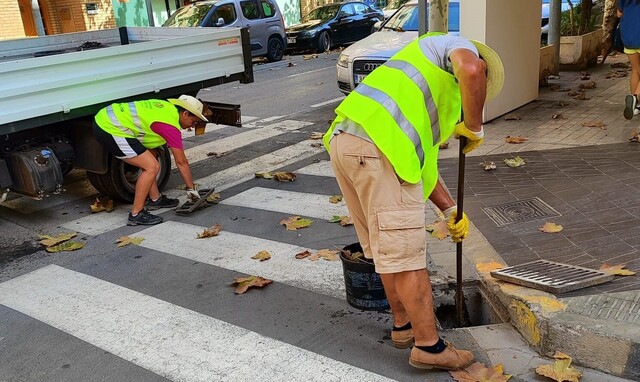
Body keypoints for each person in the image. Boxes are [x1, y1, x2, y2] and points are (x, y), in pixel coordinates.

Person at [323, 32, 504, 370]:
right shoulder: (454, 45)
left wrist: (450, 210)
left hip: (347, 143)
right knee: (406, 255)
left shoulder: (419, 90)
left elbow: (424, 170)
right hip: (378, 150)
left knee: (385, 249)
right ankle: (429, 347)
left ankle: (403, 326)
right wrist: (475, 127)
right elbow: (472, 69)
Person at [93, 95, 208, 226]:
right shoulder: (170, 126)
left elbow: (148, 130)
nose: (193, 127)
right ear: (186, 113)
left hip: (108, 117)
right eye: (194, 122)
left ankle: (155, 199)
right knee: (151, 167)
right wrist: (191, 189)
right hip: (110, 127)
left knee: (150, 158)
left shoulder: (166, 107)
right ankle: (136, 214)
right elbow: (181, 162)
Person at [618, 0, 640, 119]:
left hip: (628, 36)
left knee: (636, 70)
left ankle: (635, 108)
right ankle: (635, 97)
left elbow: (619, 14)